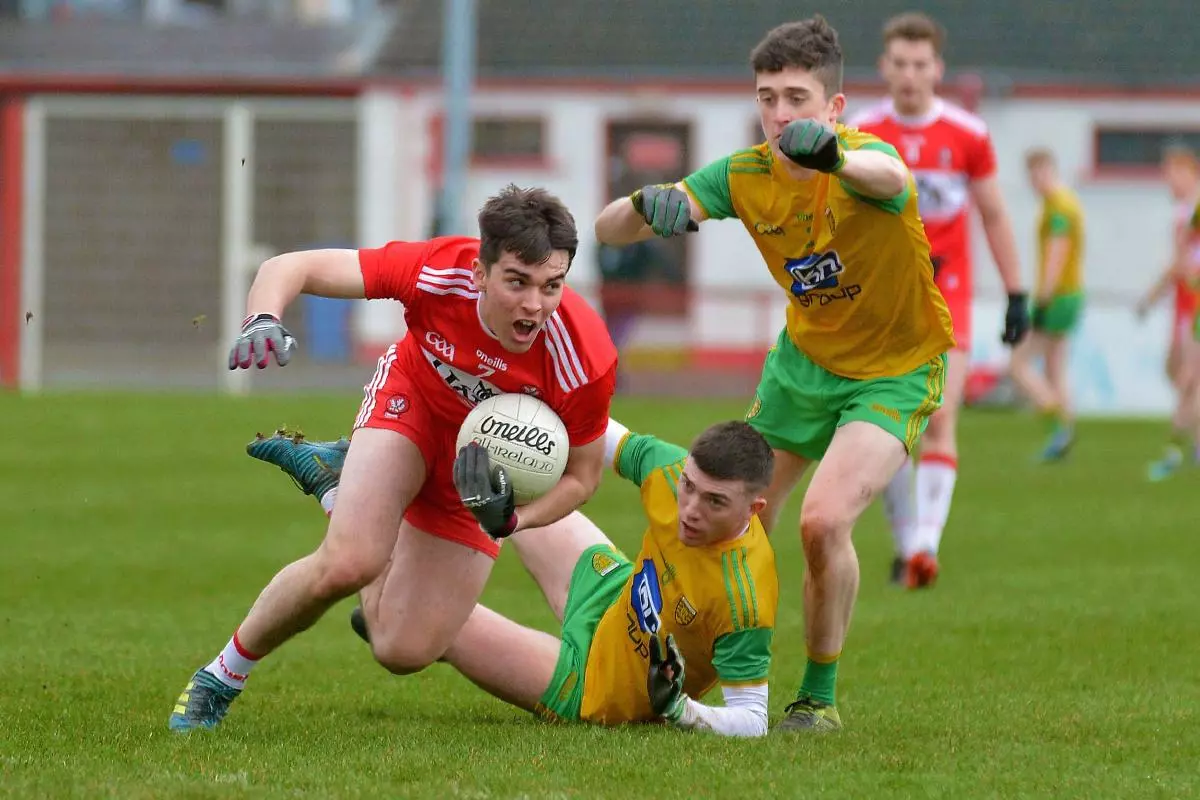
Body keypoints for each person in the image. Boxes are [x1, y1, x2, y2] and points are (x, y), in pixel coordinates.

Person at [594, 16, 1010, 732]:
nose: (781, 114)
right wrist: (641, 210)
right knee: (730, 520)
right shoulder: (742, 175)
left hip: (895, 373)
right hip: (802, 371)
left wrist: (835, 159)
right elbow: (606, 229)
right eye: (767, 97)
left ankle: (817, 698)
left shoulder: (865, 160)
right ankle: (684, 677)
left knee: (821, 523)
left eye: (797, 98)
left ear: (833, 109)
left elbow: (891, 175)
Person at [168, 185, 618, 732]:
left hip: (473, 476)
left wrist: (512, 519)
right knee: (347, 563)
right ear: (479, 272)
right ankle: (220, 677)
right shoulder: (436, 272)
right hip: (409, 410)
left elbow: (583, 477)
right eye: (517, 282)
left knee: (402, 650)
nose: (534, 305)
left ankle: (338, 484)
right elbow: (294, 266)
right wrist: (263, 316)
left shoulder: (583, 355)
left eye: (552, 287)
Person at [246, 419, 779, 737]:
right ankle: (367, 462)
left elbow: (752, 718)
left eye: (714, 503)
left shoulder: (746, 596)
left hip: (595, 687)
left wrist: (680, 710)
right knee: (524, 459)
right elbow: (595, 430)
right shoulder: (670, 472)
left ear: (754, 509)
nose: (689, 509)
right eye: (689, 488)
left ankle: (338, 495)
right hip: (609, 587)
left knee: (416, 623)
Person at [847, 12, 1029, 588]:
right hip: (882, 304)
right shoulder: (862, 129)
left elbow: (995, 214)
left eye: (920, 64)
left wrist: (1017, 291)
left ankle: (926, 545)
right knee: (893, 426)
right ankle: (905, 547)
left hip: (947, 300)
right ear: (884, 67)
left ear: (937, 68)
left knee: (942, 413)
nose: (909, 75)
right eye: (899, 63)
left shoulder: (968, 134)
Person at [1009, 149, 1086, 461]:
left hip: (1057, 296)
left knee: (1018, 364)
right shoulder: (1065, 203)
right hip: (1069, 293)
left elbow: (1058, 251)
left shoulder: (1058, 206)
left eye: (1038, 173)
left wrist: (1042, 299)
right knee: (1055, 368)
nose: (1034, 181)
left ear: (1049, 170)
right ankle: (1063, 434)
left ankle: (1058, 423)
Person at [1137, 145, 1200, 481]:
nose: (1169, 181)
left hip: (1193, 303)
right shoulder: (1187, 211)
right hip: (1188, 302)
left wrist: (1150, 296)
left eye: (1174, 173)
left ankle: (1176, 450)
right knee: (1182, 373)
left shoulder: (1189, 213)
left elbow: (1181, 265)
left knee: (1187, 375)